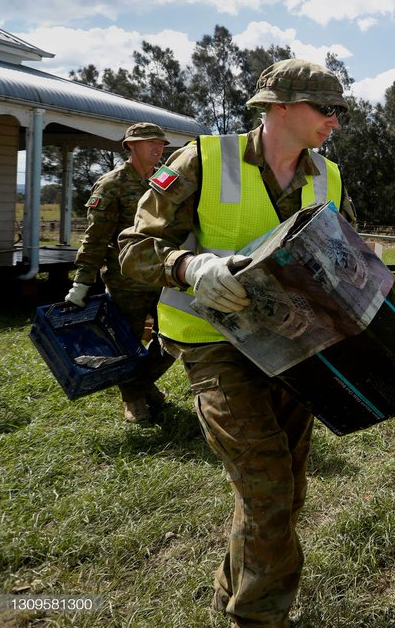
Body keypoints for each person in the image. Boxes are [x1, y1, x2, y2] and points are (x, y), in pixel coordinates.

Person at [119, 59, 355, 628]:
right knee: (270, 487)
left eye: (339, 111)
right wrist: (188, 264)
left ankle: (232, 598)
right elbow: (132, 249)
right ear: (278, 107)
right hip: (214, 345)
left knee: (285, 490)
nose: (335, 121)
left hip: (295, 346)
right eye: (326, 108)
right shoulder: (201, 160)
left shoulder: (330, 176)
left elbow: (345, 257)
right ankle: (257, 619)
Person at [66, 122, 175, 423]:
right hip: (126, 279)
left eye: (161, 143)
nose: (159, 148)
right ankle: (134, 399)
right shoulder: (111, 184)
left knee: (171, 339)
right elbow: (96, 236)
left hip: (163, 274)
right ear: (130, 146)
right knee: (128, 342)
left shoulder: (166, 180)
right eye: (151, 143)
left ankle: (140, 385)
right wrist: (82, 281)